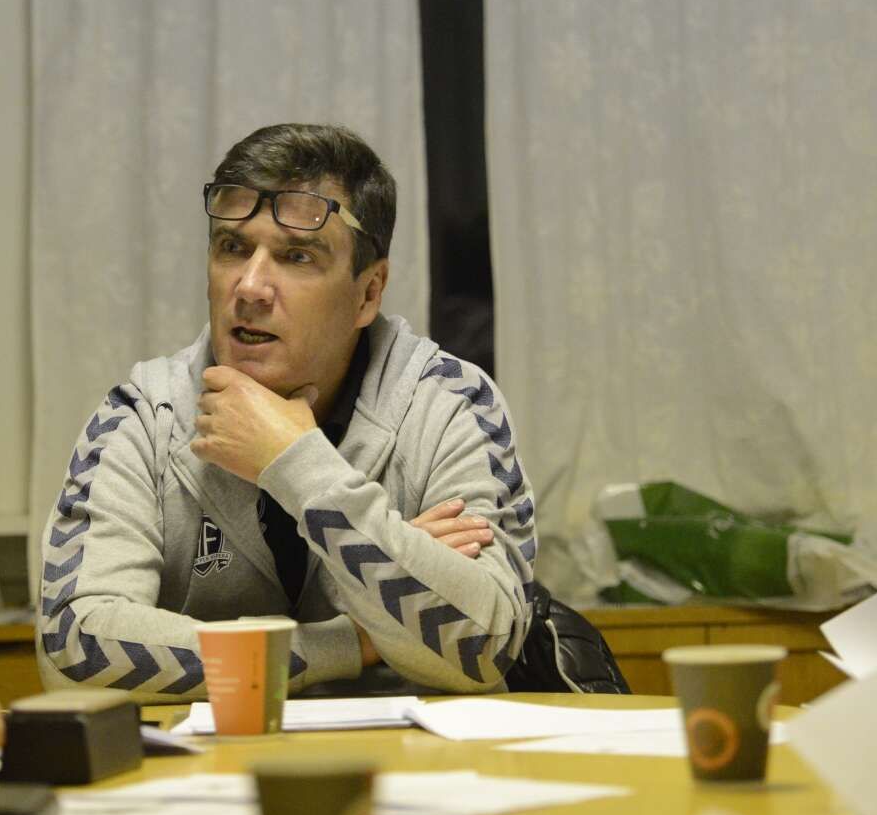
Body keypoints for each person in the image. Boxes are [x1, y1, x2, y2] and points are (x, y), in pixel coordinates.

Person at [35, 124, 541, 696]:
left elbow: (483, 648)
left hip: (413, 752)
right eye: (232, 248)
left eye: (296, 256)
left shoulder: (450, 404)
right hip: (215, 755)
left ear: (368, 293)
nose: (250, 287)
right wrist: (352, 639)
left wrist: (297, 463)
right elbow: (74, 649)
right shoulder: (142, 417)